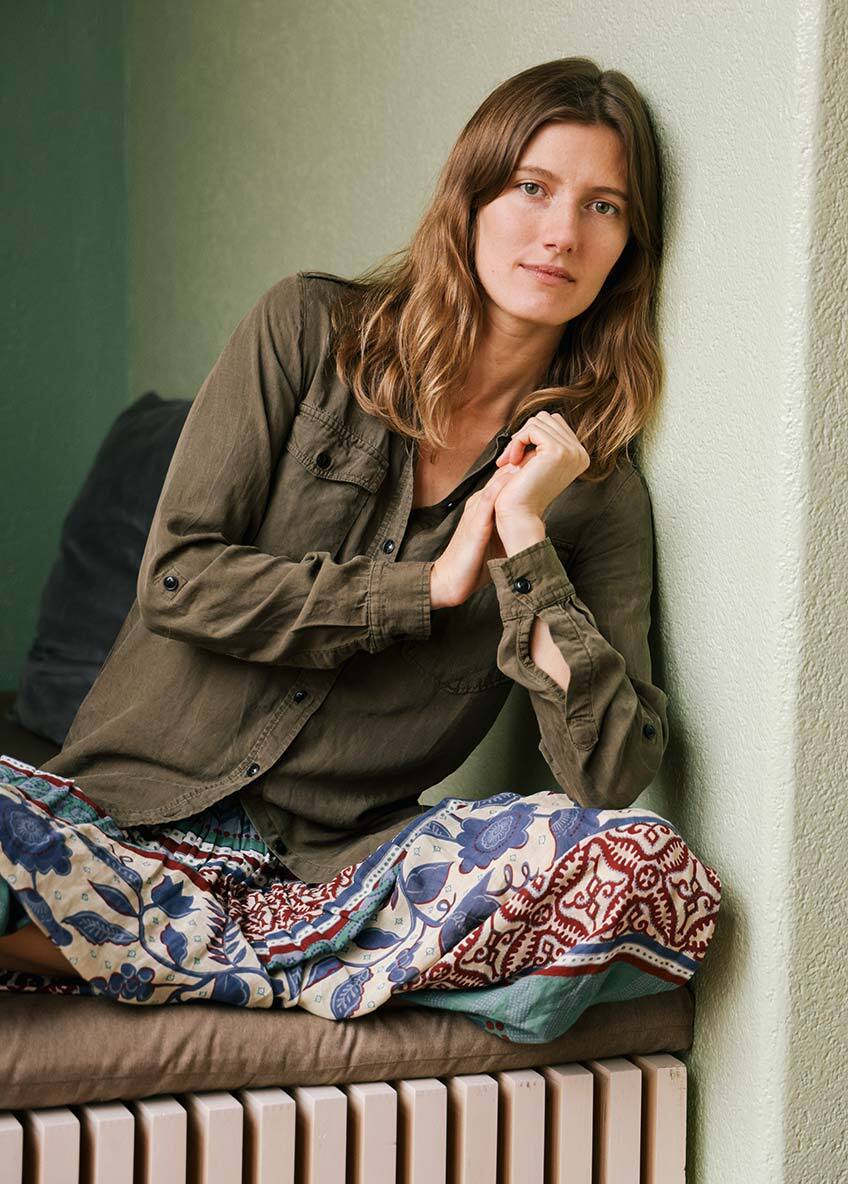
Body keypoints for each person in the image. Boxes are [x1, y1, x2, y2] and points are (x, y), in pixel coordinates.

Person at [0, 56, 720, 1043]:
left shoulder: (593, 492)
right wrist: (427, 585)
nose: (562, 232)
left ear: (627, 250)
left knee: (643, 867)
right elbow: (178, 577)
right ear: (471, 197)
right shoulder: (307, 331)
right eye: (532, 188)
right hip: (114, 822)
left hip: (338, 871)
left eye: (604, 207)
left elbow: (606, 770)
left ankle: (158, 947)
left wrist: (522, 537)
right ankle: (258, 957)